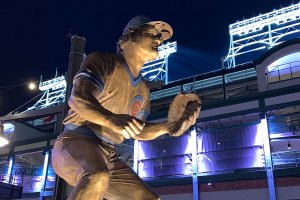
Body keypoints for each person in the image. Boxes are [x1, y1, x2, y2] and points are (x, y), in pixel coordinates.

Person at [52, 15, 200, 200]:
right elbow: (78, 98)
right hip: (74, 141)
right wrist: (110, 119)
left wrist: (168, 127)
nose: (158, 39)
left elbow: (137, 130)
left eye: (159, 37)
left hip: (108, 153)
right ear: (129, 37)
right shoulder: (103, 61)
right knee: (96, 176)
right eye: (151, 33)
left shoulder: (144, 89)